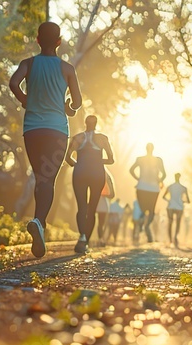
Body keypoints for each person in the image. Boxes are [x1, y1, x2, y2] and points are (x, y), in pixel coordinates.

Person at [9, 22, 83, 258]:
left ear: (38, 40)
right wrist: (69, 107)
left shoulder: (28, 64)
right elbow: (78, 101)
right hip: (57, 131)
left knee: (39, 175)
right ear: (59, 42)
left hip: (32, 129)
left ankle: (39, 222)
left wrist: (25, 99)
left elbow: (13, 83)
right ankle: (40, 221)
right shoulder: (67, 68)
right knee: (47, 179)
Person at [65, 115, 115, 253]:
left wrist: (78, 164)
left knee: (81, 207)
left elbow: (67, 157)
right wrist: (98, 161)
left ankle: (81, 237)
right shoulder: (102, 139)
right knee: (92, 208)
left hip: (80, 172)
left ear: (85, 123)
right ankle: (85, 241)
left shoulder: (77, 138)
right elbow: (111, 160)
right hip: (97, 174)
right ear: (96, 123)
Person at [129, 143, 166, 243]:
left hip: (141, 186)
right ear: (153, 149)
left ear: (145, 149)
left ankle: (141, 224)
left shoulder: (140, 159)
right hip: (154, 188)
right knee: (151, 210)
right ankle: (147, 226)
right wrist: (159, 180)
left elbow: (131, 170)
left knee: (142, 208)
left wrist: (138, 178)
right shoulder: (158, 160)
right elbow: (164, 174)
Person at [162, 173, 190, 247]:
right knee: (178, 223)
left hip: (171, 206)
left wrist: (169, 201)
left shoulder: (170, 187)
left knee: (170, 223)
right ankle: (175, 238)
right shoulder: (183, 188)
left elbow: (163, 196)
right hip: (179, 207)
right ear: (179, 178)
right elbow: (188, 200)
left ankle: (170, 239)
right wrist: (183, 201)